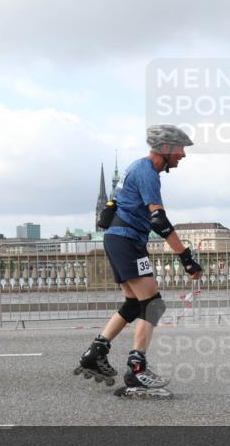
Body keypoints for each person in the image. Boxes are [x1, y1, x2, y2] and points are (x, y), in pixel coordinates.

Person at [76, 124, 203, 398]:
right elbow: (159, 219)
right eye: (180, 149)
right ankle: (137, 369)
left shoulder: (138, 168)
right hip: (126, 240)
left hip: (121, 239)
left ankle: (96, 351)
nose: (183, 155)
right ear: (166, 148)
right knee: (153, 305)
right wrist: (186, 257)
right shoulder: (147, 172)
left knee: (135, 304)